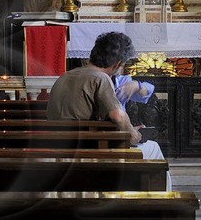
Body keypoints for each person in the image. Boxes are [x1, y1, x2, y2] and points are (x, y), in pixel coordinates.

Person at [48, 31, 167, 163]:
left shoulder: (65, 76)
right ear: (117, 64)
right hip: (87, 152)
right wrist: (133, 134)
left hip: (58, 149)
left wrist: (130, 129)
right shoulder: (100, 78)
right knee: (153, 148)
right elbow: (118, 116)